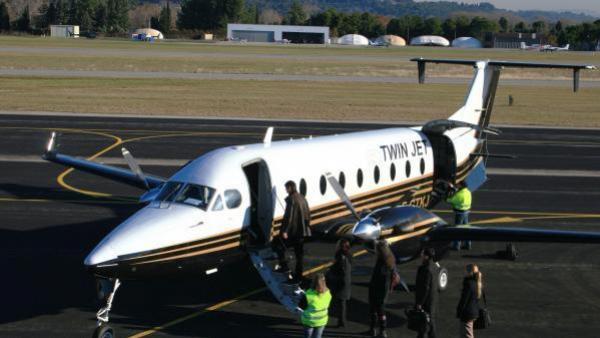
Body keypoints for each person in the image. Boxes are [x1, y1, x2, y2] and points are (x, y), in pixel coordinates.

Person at [274, 180, 311, 282]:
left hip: (293, 232)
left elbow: (289, 217)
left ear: (290, 188)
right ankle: (299, 275)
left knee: (279, 247)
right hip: (302, 232)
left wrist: (285, 231)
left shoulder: (291, 200)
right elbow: (308, 213)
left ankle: (284, 266)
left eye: (286, 188)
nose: (286, 190)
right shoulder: (302, 197)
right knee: (299, 254)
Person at [368, 240, 399, 338]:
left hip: (378, 290)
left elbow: (379, 280)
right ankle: (381, 331)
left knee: (375, 310)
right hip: (383, 291)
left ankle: (377, 330)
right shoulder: (390, 259)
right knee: (380, 311)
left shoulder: (382, 264)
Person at [327, 239, 352, 327]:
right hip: (346, 281)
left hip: (341, 282)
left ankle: (341, 321)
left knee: (340, 303)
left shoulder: (340, 255)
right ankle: (341, 321)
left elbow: (341, 269)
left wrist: (331, 271)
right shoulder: (348, 254)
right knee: (342, 303)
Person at [299, 273, 332, 338]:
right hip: (322, 320)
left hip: (309, 321)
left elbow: (301, 306)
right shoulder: (328, 293)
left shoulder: (308, 294)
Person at [415, 248, 438, 338]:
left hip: (426, 301)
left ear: (426, 256)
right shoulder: (434, 266)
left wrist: (420, 302)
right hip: (432, 299)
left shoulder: (426, 269)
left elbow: (425, 288)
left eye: (422, 253)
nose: (421, 255)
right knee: (429, 322)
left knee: (426, 323)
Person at [456, 264, 483, 338]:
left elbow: (464, 300)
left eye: (466, 270)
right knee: (466, 333)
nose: (464, 272)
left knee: (467, 335)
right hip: (473, 312)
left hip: (467, 314)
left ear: (469, 272)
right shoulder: (477, 283)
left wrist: (459, 312)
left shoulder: (468, 284)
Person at [446, 181, 472, 250]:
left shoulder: (460, 195)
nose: (457, 185)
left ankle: (456, 246)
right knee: (466, 229)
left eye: (458, 185)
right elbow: (457, 191)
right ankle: (468, 244)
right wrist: (452, 187)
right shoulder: (468, 192)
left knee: (457, 230)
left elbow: (450, 200)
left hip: (459, 213)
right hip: (466, 212)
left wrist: (446, 197)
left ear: (461, 186)